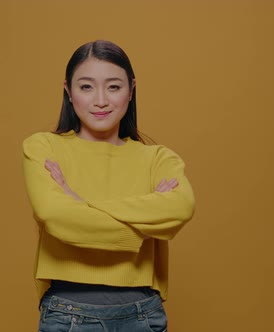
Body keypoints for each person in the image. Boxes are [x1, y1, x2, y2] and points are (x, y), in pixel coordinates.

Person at [22, 40, 195, 332]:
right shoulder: (43, 147)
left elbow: (180, 208)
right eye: (86, 87)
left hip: (144, 315)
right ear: (68, 90)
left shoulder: (157, 158)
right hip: (68, 314)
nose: (100, 100)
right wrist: (143, 228)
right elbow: (55, 216)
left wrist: (77, 200)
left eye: (113, 87)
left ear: (131, 89)